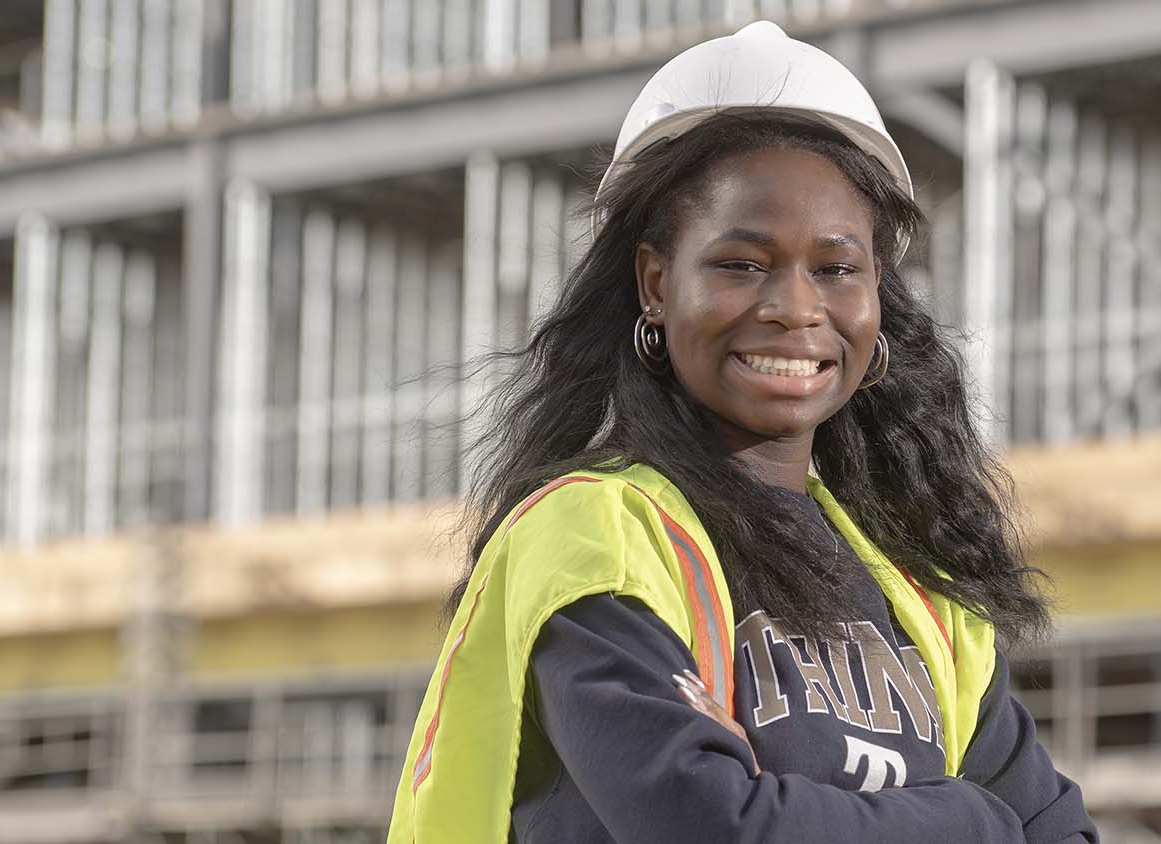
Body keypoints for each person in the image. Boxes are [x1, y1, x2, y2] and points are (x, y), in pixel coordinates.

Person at [386, 20, 1096, 844]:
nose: (795, 308)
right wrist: (970, 819)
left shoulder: (919, 587)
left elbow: (1062, 834)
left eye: (835, 269)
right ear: (656, 281)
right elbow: (708, 825)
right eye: (742, 264)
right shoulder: (595, 535)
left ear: (876, 296)